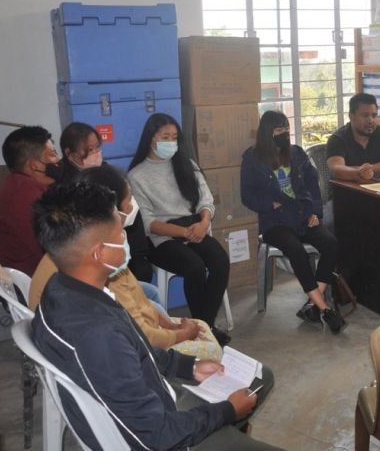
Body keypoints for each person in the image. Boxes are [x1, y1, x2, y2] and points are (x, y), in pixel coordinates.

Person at [30, 182, 280, 450]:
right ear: (100, 253)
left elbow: (136, 351)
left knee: (262, 377)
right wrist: (228, 411)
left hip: (154, 400)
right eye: (120, 233)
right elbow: (159, 436)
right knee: (252, 388)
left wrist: (188, 367)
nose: (126, 237)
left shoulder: (63, 288)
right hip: (166, 436)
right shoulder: (97, 334)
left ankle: (230, 431)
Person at [28, 165, 223, 361]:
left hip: (128, 335)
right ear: (109, 208)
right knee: (212, 349)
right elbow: (141, 337)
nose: (133, 207)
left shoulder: (78, 244)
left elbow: (138, 299)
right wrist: (182, 335)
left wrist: (171, 326)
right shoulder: (99, 267)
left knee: (155, 298)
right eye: (129, 201)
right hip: (125, 347)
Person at [127, 113, 232, 346]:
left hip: (196, 226)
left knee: (219, 261)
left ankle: (203, 326)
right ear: (151, 138)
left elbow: (206, 200)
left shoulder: (187, 164)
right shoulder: (137, 175)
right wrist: (184, 233)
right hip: (162, 238)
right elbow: (148, 222)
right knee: (193, 266)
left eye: (174, 137)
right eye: (165, 136)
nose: (171, 142)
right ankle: (205, 329)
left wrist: (203, 224)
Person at [241, 111, 345, 333]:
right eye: (279, 130)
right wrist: (270, 203)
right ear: (267, 133)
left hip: (302, 215)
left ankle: (312, 305)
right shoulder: (252, 158)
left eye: (286, 129)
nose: (284, 134)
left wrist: (316, 211)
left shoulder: (296, 153)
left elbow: (313, 184)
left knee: (331, 244)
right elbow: (247, 195)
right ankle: (324, 308)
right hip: (275, 222)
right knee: (297, 250)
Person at [60, 121, 154, 283]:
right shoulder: (65, 186)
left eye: (98, 147)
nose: (96, 153)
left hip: (126, 243)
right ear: (70, 154)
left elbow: (131, 207)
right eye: (90, 150)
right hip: (95, 253)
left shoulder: (107, 173)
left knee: (142, 271)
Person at [0, 126, 62, 276]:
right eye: (52, 154)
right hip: (37, 282)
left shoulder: (16, 183)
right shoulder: (25, 195)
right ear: (34, 164)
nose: (58, 160)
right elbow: (54, 248)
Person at [326, 93, 380, 182]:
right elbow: (336, 170)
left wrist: (371, 168)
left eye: (374, 115)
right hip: (349, 192)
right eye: (365, 116)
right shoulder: (337, 139)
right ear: (351, 116)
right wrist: (358, 172)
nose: (371, 120)